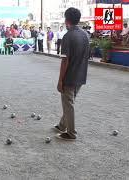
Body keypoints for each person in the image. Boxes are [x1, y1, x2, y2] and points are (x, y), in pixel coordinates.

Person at [55, 7, 90, 140]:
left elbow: (65, 61)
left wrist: (60, 81)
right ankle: (62, 125)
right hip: (81, 75)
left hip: (70, 76)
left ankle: (71, 133)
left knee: (68, 104)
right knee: (69, 102)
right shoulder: (85, 34)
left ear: (66, 20)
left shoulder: (68, 36)